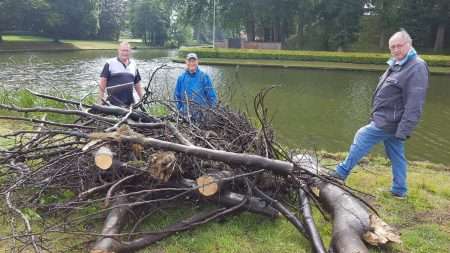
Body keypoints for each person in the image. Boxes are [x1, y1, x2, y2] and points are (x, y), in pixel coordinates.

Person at [329, 30, 429, 199]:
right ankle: (399, 190)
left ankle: (341, 172)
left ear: (409, 45)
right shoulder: (398, 63)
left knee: (362, 135)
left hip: (390, 121)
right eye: (392, 47)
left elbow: (415, 103)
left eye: (399, 46)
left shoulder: (416, 66)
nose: (395, 50)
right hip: (387, 120)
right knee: (396, 154)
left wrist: (404, 130)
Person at [174, 53, 218, 120]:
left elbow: (212, 96)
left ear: (197, 62)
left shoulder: (204, 77)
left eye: (194, 61)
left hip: (202, 116)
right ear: (186, 62)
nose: (192, 63)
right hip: (186, 116)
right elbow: (177, 96)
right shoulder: (181, 78)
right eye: (189, 61)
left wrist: (213, 111)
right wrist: (179, 111)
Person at [98, 42, 143, 107]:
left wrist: (142, 98)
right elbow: (102, 82)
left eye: (127, 50)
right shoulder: (110, 63)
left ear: (130, 51)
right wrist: (100, 101)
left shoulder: (134, 64)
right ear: (118, 51)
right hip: (112, 104)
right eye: (123, 50)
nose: (125, 53)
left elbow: (137, 84)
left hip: (129, 104)